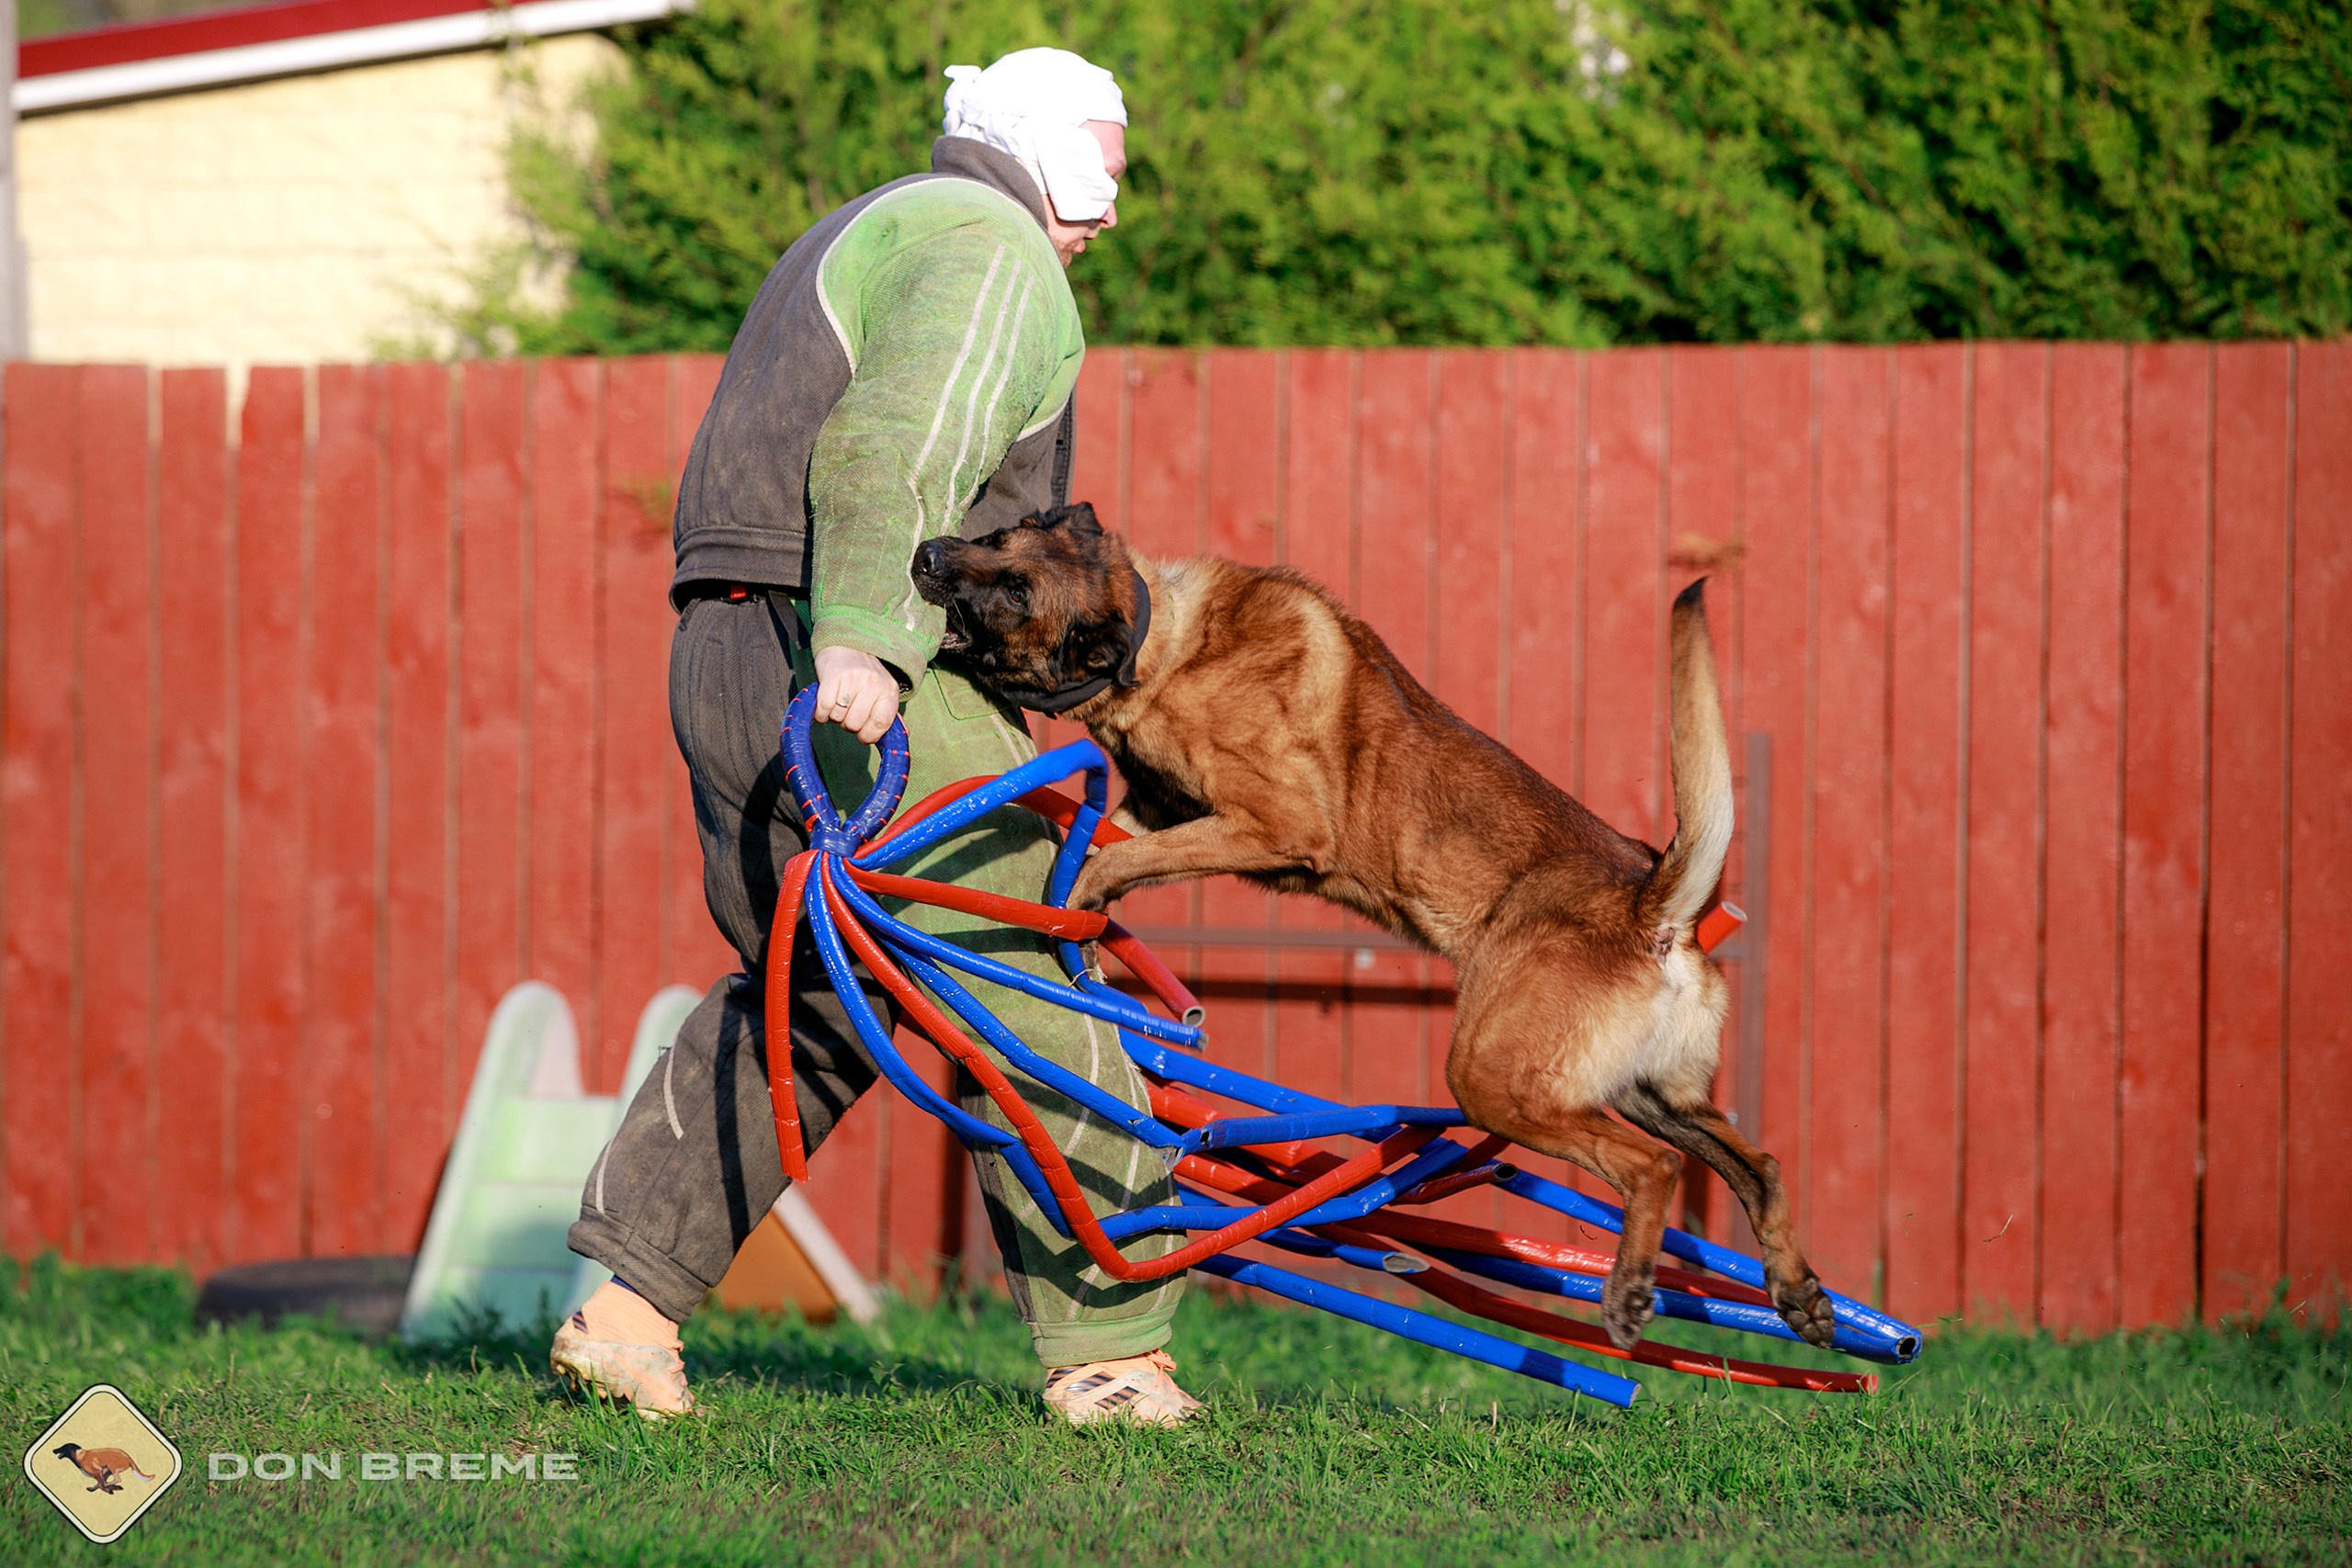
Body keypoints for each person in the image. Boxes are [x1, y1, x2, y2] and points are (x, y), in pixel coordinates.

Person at [549, 47, 1201, 1427]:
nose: (1116, 210)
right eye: (1108, 171)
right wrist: (862, 641)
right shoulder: (996, 247)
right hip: (846, 656)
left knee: (817, 994)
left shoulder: (878, 219)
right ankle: (1114, 1353)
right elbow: (887, 451)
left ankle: (622, 1314)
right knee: (1036, 970)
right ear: (1037, 147)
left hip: (725, 648)